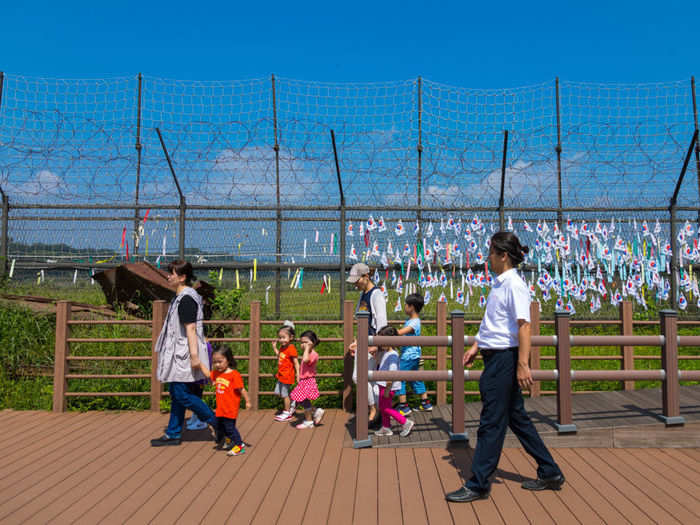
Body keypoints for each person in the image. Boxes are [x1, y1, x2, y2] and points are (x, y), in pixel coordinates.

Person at [446, 232, 565, 503]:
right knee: (517, 419)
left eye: (491, 252)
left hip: (504, 360)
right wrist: (477, 346)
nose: (488, 257)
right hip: (494, 355)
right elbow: (495, 322)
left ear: (503, 255)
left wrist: (523, 364)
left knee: (491, 422)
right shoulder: (499, 284)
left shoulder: (514, 285)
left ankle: (478, 484)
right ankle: (550, 471)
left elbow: (524, 325)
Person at [151, 260, 216, 446]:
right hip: (181, 353)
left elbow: (191, 328)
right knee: (178, 393)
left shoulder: (186, 298)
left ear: (182, 277)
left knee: (181, 394)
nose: (168, 276)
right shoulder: (182, 297)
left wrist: (195, 357)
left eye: (171, 273)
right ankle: (173, 433)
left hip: (184, 355)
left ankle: (217, 423)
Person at [347, 262, 386, 425]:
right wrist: (356, 342)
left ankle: (375, 410)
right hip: (364, 342)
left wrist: (377, 345)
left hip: (372, 343)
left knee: (365, 377)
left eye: (357, 280)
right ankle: (376, 408)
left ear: (366, 276)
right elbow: (362, 321)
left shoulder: (376, 294)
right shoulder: (363, 294)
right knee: (360, 377)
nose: (355, 283)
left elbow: (381, 321)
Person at [201, 346, 251, 456]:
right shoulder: (216, 373)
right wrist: (199, 363)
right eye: (215, 362)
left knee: (230, 428)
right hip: (221, 408)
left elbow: (241, 389)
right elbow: (208, 374)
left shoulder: (234, 375)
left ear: (228, 360)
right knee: (218, 425)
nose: (217, 364)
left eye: (220, 361)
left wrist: (247, 401)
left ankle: (239, 446)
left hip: (230, 408)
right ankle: (230, 441)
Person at [373, 326, 415, 438]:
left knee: (386, 408)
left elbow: (391, 374)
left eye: (382, 340)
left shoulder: (392, 355)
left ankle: (405, 422)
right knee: (383, 407)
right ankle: (386, 427)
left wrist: (387, 389)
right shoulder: (388, 352)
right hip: (384, 385)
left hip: (388, 386)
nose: (380, 343)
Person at [395, 293, 433, 416]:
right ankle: (425, 403)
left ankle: (403, 406)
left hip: (408, 356)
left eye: (406, 304)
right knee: (415, 378)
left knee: (399, 378)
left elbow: (402, 332)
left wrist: (392, 332)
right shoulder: (411, 320)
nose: (404, 307)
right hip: (413, 355)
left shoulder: (414, 322)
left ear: (411, 307)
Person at [290, 330, 325, 429]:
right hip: (304, 380)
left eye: (305, 342)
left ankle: (309, 421)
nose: (303, 345)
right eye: (301, 342)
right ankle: (316, 411)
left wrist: (308, 348)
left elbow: (306, 360)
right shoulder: (308, 352)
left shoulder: (313, 354)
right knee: (300, 399)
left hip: (308, 380)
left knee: (304, 401)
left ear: (312, 343)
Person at [272, 321, 300, 422]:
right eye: (280, 337)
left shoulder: (291, 348)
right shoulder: (282, 348)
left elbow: (296, 362)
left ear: (291, 338)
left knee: (284, 394)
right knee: (277, 393)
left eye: (284, 337)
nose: (281, 340)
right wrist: (275, 348)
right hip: (280, 375)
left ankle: (287, 412)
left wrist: (298, 374)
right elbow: (280, 356)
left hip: (287, 376)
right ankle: (292, 401)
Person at [186, 340, 214, 430]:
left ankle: (201, 421)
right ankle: (195, 417)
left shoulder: (204, 345)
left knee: (197, 398)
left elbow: (207, 362)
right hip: (198, 375)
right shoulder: (203, 344)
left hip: (200, 376)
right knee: (195, 396)